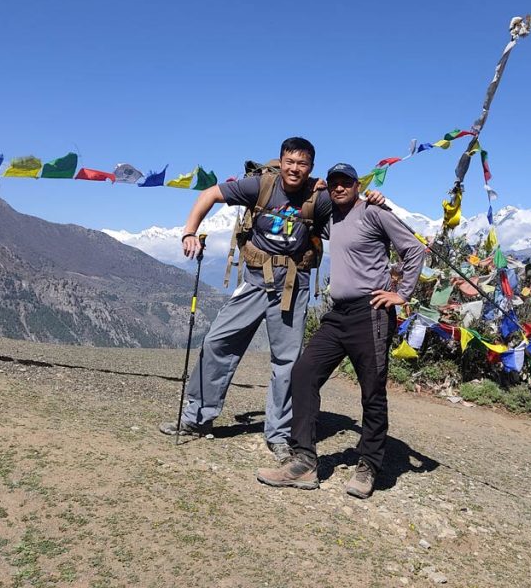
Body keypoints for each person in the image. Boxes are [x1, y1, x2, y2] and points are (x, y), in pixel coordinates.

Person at [256, 162, 425, 498]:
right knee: (304, 373)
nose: (339, 187)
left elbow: (414, 249)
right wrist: (314, 188)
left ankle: (369, 466)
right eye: (334, 183)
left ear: (357, 185)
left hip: (372, 313)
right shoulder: (332, 215)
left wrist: (401, 294)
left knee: (371, 391)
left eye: (346, 182)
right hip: (338, 315)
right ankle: (304, 461)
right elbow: (302, 198)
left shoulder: (375, 213)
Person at [159, 137, 329, 461]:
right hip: (254, 281)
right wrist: (189, 232)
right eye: (290, 162)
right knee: (216, 343)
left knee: (287, 364)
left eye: (302, 164)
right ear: (281, 162)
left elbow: (349, 221)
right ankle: (196, 418)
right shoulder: (260, 185)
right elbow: (210, 194)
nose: (295, 169)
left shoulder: (318, 198)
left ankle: (279, 435)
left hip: (293, 286)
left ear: (310, 168)